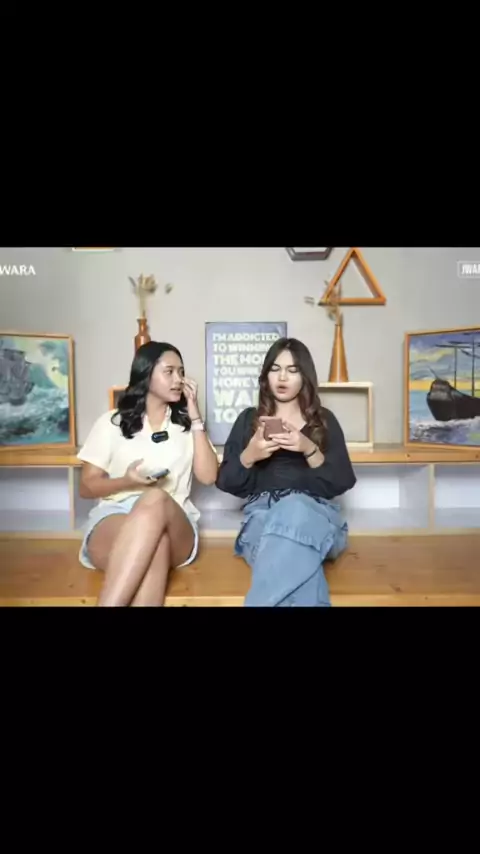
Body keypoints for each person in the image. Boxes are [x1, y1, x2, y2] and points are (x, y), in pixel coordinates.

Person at [216, 337, 356, 606]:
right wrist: (250, 454)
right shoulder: (248, 420)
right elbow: (226, 481)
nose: (282, 377)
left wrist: (308, 448)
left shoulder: (323, 421)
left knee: (293, 508)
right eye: (275, 369)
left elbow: (342, 481)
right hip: (262, 518)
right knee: (300, 568)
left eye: (292, 370)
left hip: (315, 516)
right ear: (266, 375)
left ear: (305, 377)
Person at [77, 341, 218, 606]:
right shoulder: (111, 423)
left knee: (155, 497)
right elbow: (86, 487)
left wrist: (195, 416)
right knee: (156, 546)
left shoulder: (186, 427)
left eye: (181, 372)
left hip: (176, 520)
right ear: (146, 373)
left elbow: (209, 476)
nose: (179, 379)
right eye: (169, 372)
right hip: (115, 514)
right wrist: (126, 482)